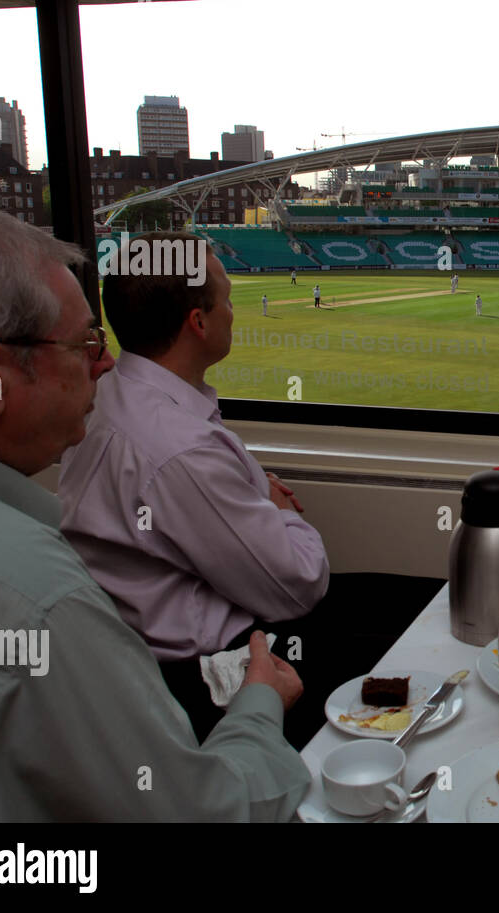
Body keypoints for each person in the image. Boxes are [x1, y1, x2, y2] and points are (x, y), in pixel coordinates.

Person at [0, 207, 308, 820]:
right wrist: (259, 704)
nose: (106, 366)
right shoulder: (41, 600)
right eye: (86, 344)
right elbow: (198, 813)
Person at [58, 231, 334, 747]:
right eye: (226, 300)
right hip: (205, 676)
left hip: (153, 650)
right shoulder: (178, 447)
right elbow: (298, 585)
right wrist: (281, 511)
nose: (234, 311)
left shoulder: (111, 395)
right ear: (199, 322)